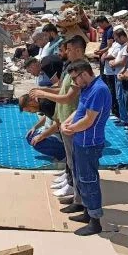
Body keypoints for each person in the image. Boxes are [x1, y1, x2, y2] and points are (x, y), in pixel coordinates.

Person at [60, 59, 112, 236]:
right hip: (80, 141)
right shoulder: (87, 88)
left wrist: (71, 129)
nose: (75, 83)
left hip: (90, 143)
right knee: (80, 178)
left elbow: (89, 119)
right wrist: (67, 123)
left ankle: (95, 221)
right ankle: (86, 212)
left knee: (89, 180)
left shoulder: (99, 90)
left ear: (84, 74)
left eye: (76, 78)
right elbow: (79, 111)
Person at [31, 36, 85, 204]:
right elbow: (62, 89)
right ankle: (68, 178)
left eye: (68, 49)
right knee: (70, 156)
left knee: (74, 157)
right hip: (65, 117)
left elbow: (68, 97)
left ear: (78, 50)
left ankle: (73, 187)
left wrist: (43, 93)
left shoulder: (81, 70)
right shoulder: (71, 67)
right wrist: (44, 90)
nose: (65, 52)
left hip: (72, 118)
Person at [19, 94, 66, 163]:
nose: (31, 112)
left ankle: (63, 155)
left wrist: (41, 136)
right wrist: (35, 127)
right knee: (29, 137)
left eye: (29, 110)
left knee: (37, 143)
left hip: (58, 134)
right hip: (49, 130)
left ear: (31, 102)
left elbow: (57, 125)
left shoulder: (46, 105)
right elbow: (46, 116)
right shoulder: (41, 104)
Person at [107, 28, 128, 127]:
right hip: (117, 74)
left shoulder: (126, 46)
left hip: (122, 76)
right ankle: (123, 118)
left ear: (122, 37)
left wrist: (113, 64)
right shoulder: (121, 46)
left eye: (117, 39)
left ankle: (126, 120)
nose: (116, 41)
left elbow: (123, 62)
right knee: (119, 98)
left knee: (123, 99)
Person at [93, 16, 117, 116]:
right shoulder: (106, 30)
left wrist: (100, 52)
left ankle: (111, 106)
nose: (99, 26)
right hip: (103, 57)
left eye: (100, 24)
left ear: (103, 22)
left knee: (107, 83)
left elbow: (109, 46)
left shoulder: (110, 31)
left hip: (106, 59)